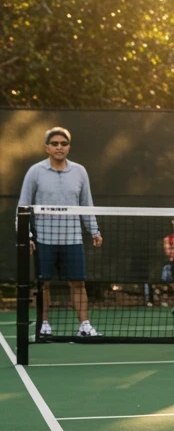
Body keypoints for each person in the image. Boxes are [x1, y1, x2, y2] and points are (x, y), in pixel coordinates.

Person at [17, 127, 104, 338]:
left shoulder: (80, 172)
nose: (59, 147)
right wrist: (25, 235)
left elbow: (86, 205)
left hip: (72, 239)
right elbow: (23, 206)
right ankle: (43, 323)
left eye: (63, 144)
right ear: (47, 147)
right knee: (42, 283)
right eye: (55, 143)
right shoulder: (35, 172)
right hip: (44, 239)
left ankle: (84, 326)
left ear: (68, 147)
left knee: (78, 283)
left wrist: (94, 230)